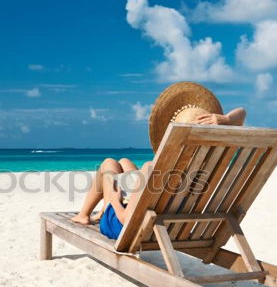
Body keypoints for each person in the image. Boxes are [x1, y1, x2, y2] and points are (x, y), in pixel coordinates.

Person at [71, 82, 246, 240]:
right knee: (124, 162)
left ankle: (85, 215)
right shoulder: (211, 161)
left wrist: (115, 201)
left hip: (127, 227)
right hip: (174, 225)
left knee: (109, 163)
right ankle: (97, 210)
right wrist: (226, 120)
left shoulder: (154, 168)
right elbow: (242, 113)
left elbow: (125, 219)